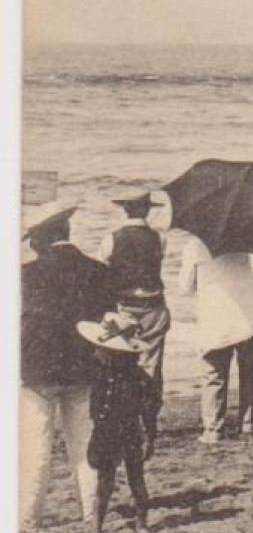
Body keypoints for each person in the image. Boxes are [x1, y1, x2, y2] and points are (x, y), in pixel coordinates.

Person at [20, 203, 114, 529]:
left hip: (35, 369)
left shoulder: (24, 275)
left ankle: (29, 517)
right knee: (85, 445)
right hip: (84, 366)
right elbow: (109, 323)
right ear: (67, 231)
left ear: (40, 240)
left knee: (36, 445)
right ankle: (91, 512)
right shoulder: (98, 271)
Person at [96, 188, 169, 456]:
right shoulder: (158, 239)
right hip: (153, 308)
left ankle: (124, 425)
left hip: (123, 308)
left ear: (124, 209)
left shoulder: (111, 238)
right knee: (151, 370)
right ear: (147, 209)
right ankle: (149, 430)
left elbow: (100, 274)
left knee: (119, 369)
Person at [179, 234, 253, 443]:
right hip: (249, 315)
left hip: (216, 316)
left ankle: (213, 429)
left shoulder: (195, 245)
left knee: (214, 375)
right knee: (249, 373)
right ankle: (248, 424)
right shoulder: (242, 242)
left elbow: (185, 288)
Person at [79, 313, 155, 533]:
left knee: (136, 480)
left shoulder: (138, 378)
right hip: (105, 432)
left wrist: (149, 437)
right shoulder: (97, 371)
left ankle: (142, 522)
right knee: (104, 482)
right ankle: (96, 528)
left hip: (130, 431)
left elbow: (149, 409)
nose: (98, 353)